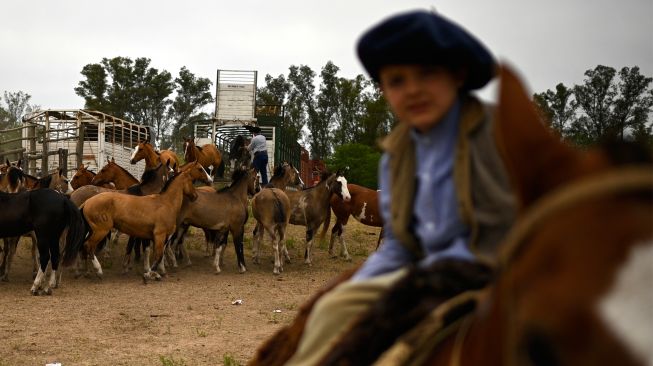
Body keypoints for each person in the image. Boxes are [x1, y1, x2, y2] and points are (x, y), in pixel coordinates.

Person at [285, 10, 516, 365]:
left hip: (491, 277)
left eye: (427, 74)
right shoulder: (397, 154)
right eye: (396, 81)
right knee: (329, 312)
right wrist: (359, 285)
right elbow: (400, 242)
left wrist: (428, 280)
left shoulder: (497, 134)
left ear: (458, 75)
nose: (412, 90)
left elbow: (511, 231)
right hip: (418, 276)